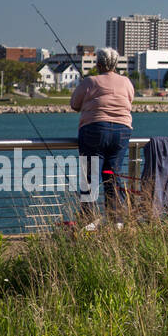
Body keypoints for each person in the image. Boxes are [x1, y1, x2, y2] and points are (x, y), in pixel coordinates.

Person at [69, 47, 135, 228]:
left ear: (98, 64)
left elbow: (74, 104)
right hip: (121, 132)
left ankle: (89, 220)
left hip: (94, 131)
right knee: (112, 175)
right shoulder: (127, 82)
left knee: (90, 176)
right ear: (116, 64)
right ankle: (117, 222)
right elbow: (129, 102)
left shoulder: (90, 81)